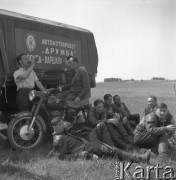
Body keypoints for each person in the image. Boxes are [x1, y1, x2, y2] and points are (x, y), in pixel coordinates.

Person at [51, 116, 151, 163]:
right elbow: (62, 157)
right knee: (113, 150)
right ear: (54, 127)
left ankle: (113, 150)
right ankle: (141, 159)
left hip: (89, 144)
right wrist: (79, 155)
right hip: (88, 149)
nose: (62, 126)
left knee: (102, 126)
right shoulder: (59, 138)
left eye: (62, 123)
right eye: (60, 125)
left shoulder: (61, 133)